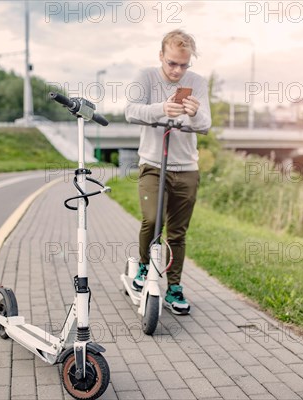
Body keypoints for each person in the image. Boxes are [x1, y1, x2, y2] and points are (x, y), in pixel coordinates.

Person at [125, 29, 212, 315]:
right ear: (161, 56)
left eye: (183, 65)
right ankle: (144, 268)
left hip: (186, 167)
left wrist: (194, 113)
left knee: (178, 233)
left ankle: (174, 287)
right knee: (152, 221)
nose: (177, 70)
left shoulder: (197, 83)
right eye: (172, 63)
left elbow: (205, 124)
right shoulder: (146, 77)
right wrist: (162, 110)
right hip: (152, 164)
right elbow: (131, 112)